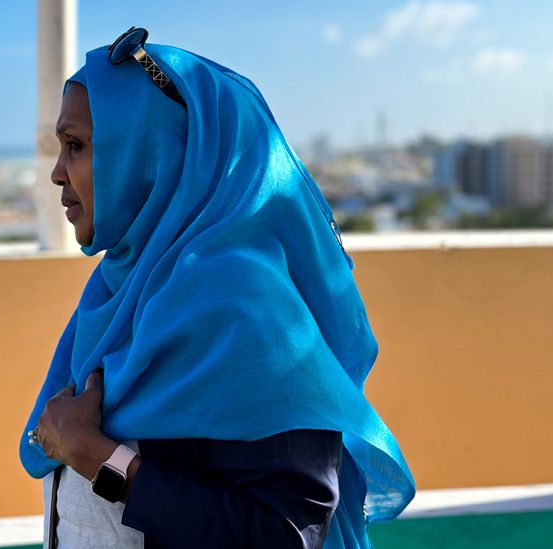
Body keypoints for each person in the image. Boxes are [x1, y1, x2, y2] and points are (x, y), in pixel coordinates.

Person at [20, 28, 415, 548]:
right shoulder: (122, 291)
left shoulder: (242, 306)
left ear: (152, 155)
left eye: (76, 146)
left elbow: (285, 533)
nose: (56, 173)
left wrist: (100, 459)